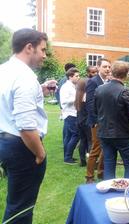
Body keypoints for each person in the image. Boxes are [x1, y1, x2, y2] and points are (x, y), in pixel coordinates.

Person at [0, 28, 48, 224]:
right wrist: (40, 153)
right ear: (29, 47)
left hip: (6, 141)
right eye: (43, 50)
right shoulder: (25, 77)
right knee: (21, 209)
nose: (45, 55)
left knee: (16, 203)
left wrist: (39, 91)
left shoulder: (4, 70)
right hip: (22, 147)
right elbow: (26, 127)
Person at [95, 61, 129, 179]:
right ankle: (128, 192)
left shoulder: (99, 89)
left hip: (104, 133)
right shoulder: (126, 92)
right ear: (126, 74)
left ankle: (110, 192)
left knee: (109, 163)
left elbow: (95, 111)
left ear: (112, 72)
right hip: (122, 134)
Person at [85, 58, 111, 183]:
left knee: (106, 147)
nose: (107, 69)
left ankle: (101, 173)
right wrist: (95, 120)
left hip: (107, 120)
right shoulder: (93, 82)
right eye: (105, 66)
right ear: (98, 67)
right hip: (97, 121)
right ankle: (89, 177)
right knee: (96, 148)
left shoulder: (108, 81)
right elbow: (90, 102)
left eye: (109, 67)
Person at [60, 67, 80, 164]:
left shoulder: (72, 86)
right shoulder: (66, 87)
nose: (78, 77)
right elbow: (64, 101)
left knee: (69, 136)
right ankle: (67, 157)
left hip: (72, 113)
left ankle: (67, 157)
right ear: (70, 77)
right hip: (70, 114)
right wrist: (77, 98)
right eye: (76, 76)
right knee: (76, 135)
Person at [74, 78, 91, 167]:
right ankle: (92, 162)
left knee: (83, 141)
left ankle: (82, 161)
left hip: (79, 121)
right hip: (86, 122)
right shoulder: (86, 96)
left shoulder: (78, 95)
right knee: (90, 141)